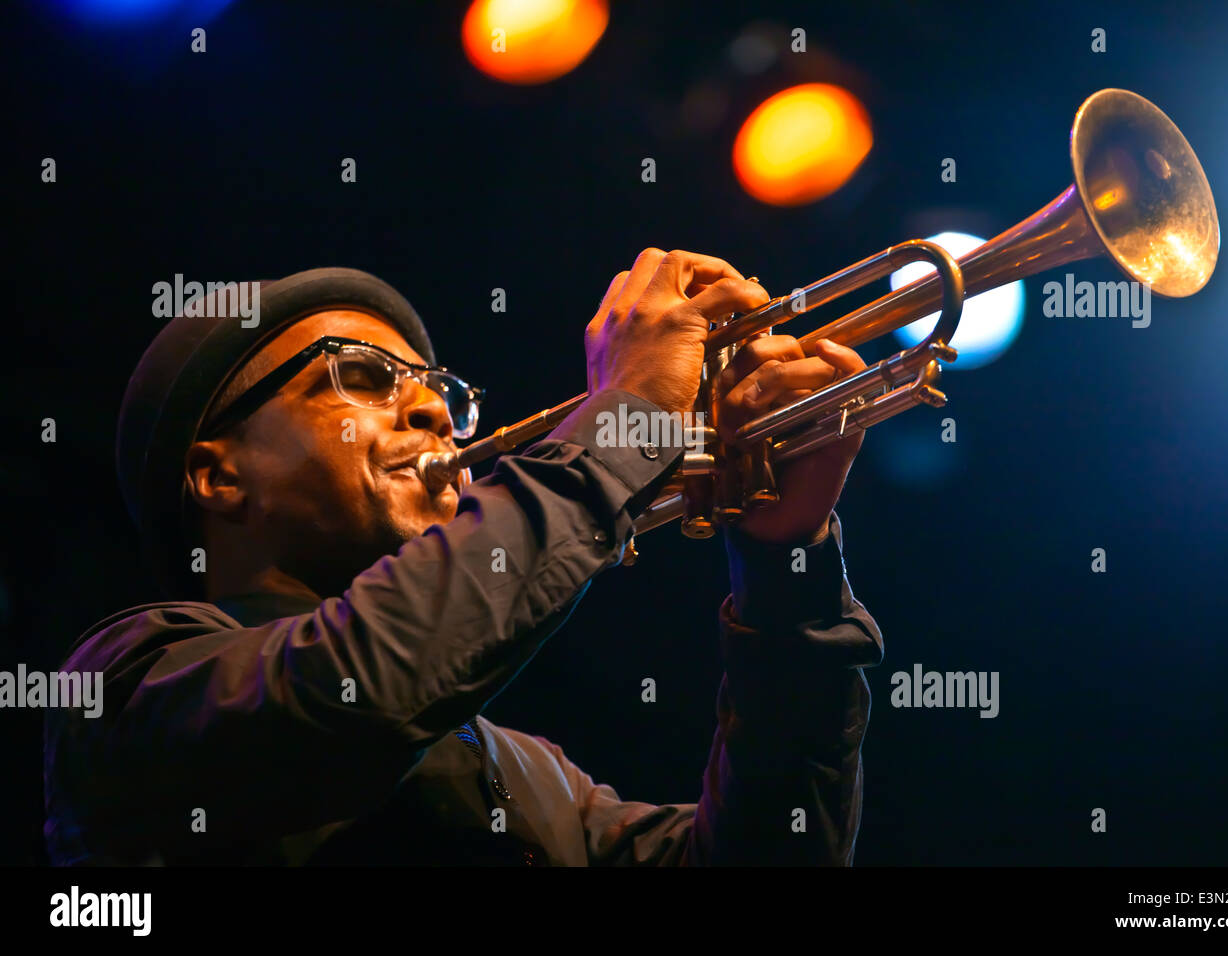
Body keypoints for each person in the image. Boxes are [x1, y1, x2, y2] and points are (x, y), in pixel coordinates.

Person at [43, 252, 884, 865]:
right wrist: (625, 417)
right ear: (218, 475)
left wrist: (787, 566)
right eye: (364, 378)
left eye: (440, 392)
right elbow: (356, 691)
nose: (433, 414)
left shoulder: (538, 782)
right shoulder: (126, 683)